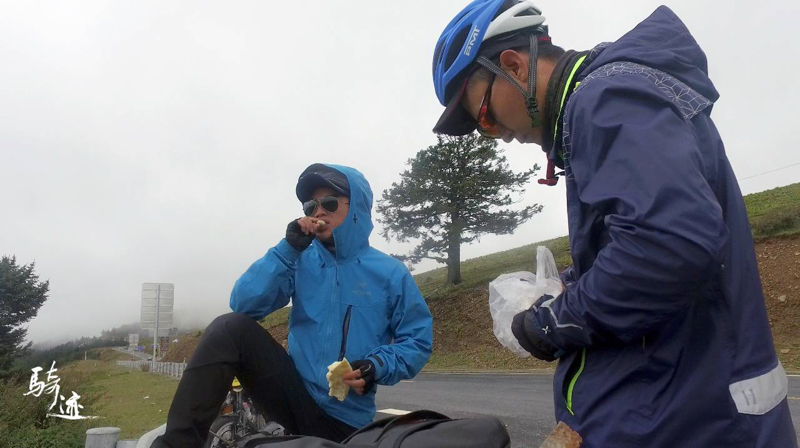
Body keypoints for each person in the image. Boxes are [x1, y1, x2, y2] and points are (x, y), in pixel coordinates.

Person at [431, 1, 797, 446]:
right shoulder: (607, 105)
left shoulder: (605, 99)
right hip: (682, 412)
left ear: (513, 65)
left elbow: (668, 248)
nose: (498, 135)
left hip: (692, 423)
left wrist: (547, 324)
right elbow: (655, 237)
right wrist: (572, 282)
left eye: (484, 117)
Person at [152, 163, 433, 447]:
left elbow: (417, 340)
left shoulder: (390, 273)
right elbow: (243, 304)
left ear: (357, 207)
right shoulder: (299, 259)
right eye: (311, 206)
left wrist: (376, 365)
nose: (318, 212)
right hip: (292, 395)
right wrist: (287, 250)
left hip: (347, 421)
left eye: (330, 203)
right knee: (230, 327)